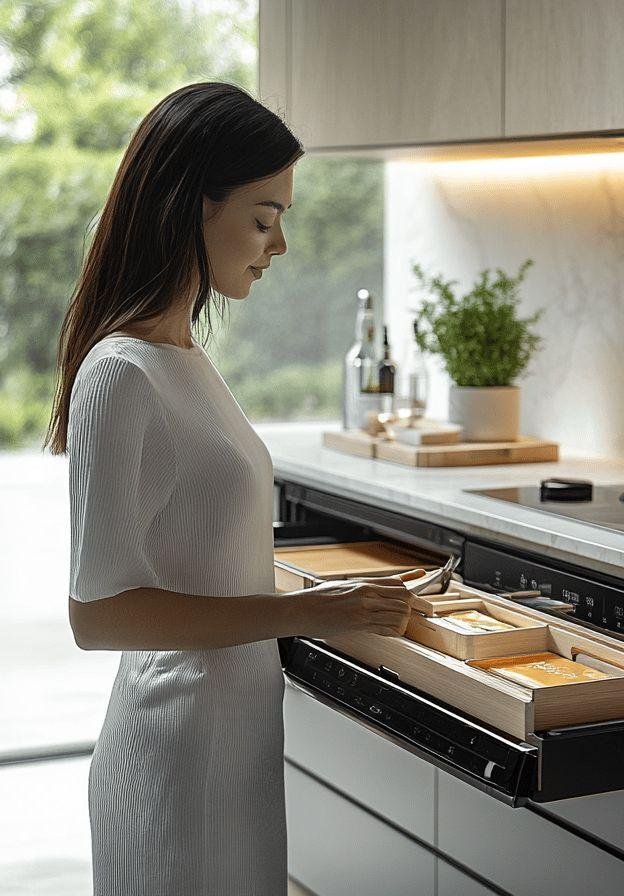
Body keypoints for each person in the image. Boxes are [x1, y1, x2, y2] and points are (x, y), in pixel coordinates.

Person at [44, 82, 418, 896]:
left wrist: (340, 597)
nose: (277, 244)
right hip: (172, 766)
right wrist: (308, 613)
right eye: (263, 216)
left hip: (232, 746)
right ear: (190, 205)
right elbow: (98, 614)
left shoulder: (186, 360)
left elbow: (210, 563)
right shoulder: (120, 372)